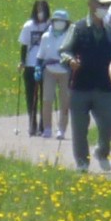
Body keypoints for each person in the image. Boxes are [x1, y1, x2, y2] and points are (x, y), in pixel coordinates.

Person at [59, 0, 111, 173]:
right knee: (79, 128)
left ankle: (102, 151)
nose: (105, 8)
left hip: (105, 87)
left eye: (107, 5)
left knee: (109, 124)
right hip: (80, 86)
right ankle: (82, 162)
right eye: (101, 4)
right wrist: (70, 61)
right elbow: (64, 50)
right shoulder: (77, 28)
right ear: (91, 4)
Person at [36, 8, 73, 139]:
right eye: (57, 21)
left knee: (65, 102)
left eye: (62, 21)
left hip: (65, 71)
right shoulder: (46, 36)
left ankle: (61, 129)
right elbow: (40, 55)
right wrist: (37, 68)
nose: (59, 23)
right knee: (47, 100)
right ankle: (47, 128)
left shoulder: (70, 36)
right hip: (49, 70)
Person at [18, 0, 52, 136]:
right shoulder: (28, 25)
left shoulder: (51, 25)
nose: (40, 12)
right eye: (38, 9)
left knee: (45, 96)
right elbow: (24, 45)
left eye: (43, 9)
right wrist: (22, 62)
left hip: (46, 65)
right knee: (31, 95)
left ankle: (44, 124)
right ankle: (32, 123)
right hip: (31, 64)